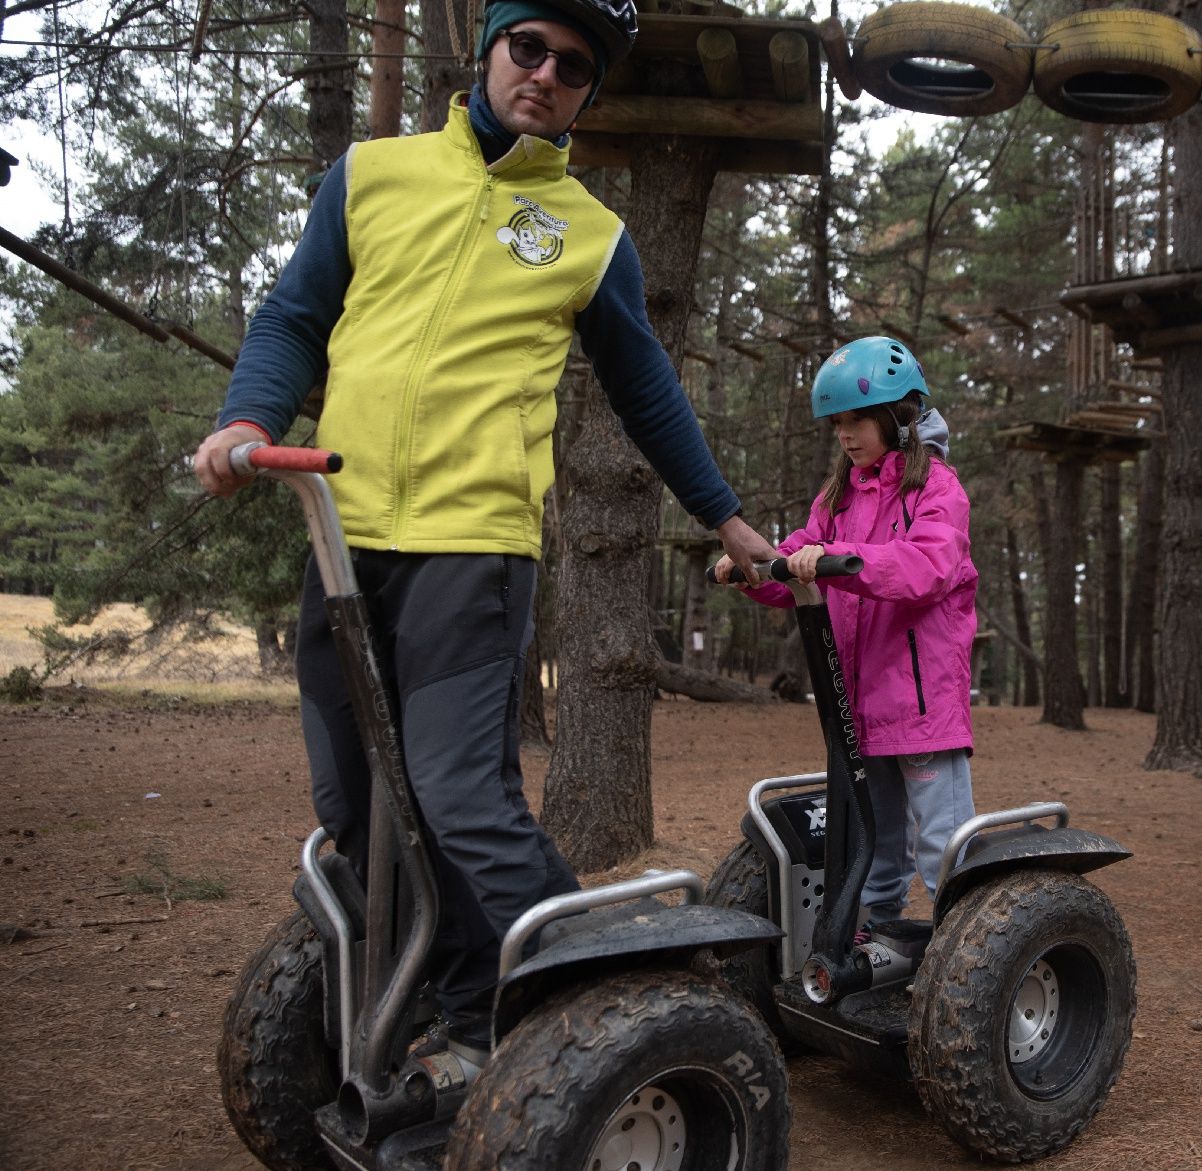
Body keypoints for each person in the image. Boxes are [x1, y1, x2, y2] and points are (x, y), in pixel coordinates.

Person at [191, 0, 774, 1071]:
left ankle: (607, 1002)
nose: (546, 74)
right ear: (489, 48)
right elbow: (293, 315)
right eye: (529, 48)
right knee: (361, 812)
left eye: (573, 66)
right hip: (342, 531)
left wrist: (726, 520)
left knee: (461, 796)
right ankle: (459, 1007)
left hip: (474, 545)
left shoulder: (589, 237)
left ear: (587, 91)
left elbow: (647, 394)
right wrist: (248, 418)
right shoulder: (372, 175)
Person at [715, 337, 978, 933]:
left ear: (899, 415)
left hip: (921, 700)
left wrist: (837, 557)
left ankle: (968, 951)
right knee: (873, 836)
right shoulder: (837, 498)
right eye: (837, 424)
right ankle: (874, 933)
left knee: (944, 846)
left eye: (857, 419)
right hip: (858, 704)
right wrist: (753, 570)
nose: (846, 434)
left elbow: (927, 566)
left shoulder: (937, 489)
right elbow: (795, 566)